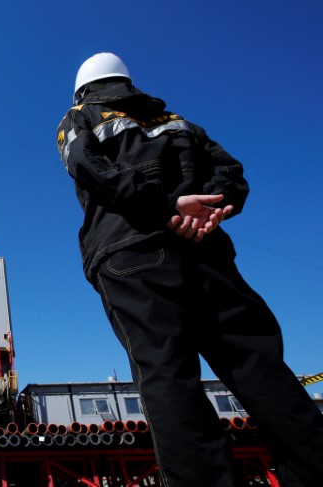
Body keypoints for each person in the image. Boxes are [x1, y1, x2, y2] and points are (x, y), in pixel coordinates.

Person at [56, 52, 323, 486]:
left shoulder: (79, 115)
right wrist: (210, 212)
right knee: (259, 366)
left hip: (133, 253)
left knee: (167, 374)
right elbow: (232, 175)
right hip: (204, 249)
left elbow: (88, 167)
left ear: (83, 89)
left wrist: (162, 208)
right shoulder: (180, 121)